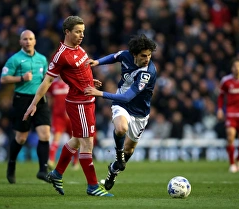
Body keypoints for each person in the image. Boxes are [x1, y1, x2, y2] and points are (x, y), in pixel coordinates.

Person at [23, 16, 113, 197]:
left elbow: (79, 71)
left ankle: (57, 174)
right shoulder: (61, 55)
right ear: (67, 32)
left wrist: (89, 81)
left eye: (83, 32)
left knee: (77, 140)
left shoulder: (78, 48)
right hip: (78, 103)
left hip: (88, 100)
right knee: (87, 143)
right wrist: (33, 104)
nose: (82, 35)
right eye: (78, 32)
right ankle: (93, 186)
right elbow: (47, 81)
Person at [84, 34, 157, 190]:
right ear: (134, 55)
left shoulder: (147, 73)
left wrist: (100, 93)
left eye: (149, 55)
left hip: (139, 112)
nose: (147, 59)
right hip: (121, 105)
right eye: (144, 56)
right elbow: (114, 56)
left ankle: (113, 171)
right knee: (121, 128)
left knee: (129, 150)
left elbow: (127, 97)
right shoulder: (126, 55)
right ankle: (118, 156)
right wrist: (97, 62)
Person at [0, 30, 50, 184]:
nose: (28, 41)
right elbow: (3, 79)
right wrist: (21, 78)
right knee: (21, 138)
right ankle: (12, 163)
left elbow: (46, 80)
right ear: (20, 42)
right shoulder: (15, 59)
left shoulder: (42, 59)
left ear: (35, 41)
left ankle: (43, 170)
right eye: (25, 39)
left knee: (45, 134)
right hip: (22, 99)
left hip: (40, 99)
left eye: (30, 39)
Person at [47, 77, 79, 170]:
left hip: (70, 115)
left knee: (74, 138)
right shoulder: (53, 84)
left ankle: (75, 161)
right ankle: (51, 160)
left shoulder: (70, 82)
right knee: (56, 136)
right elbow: (50, 100)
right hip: (58, 116)